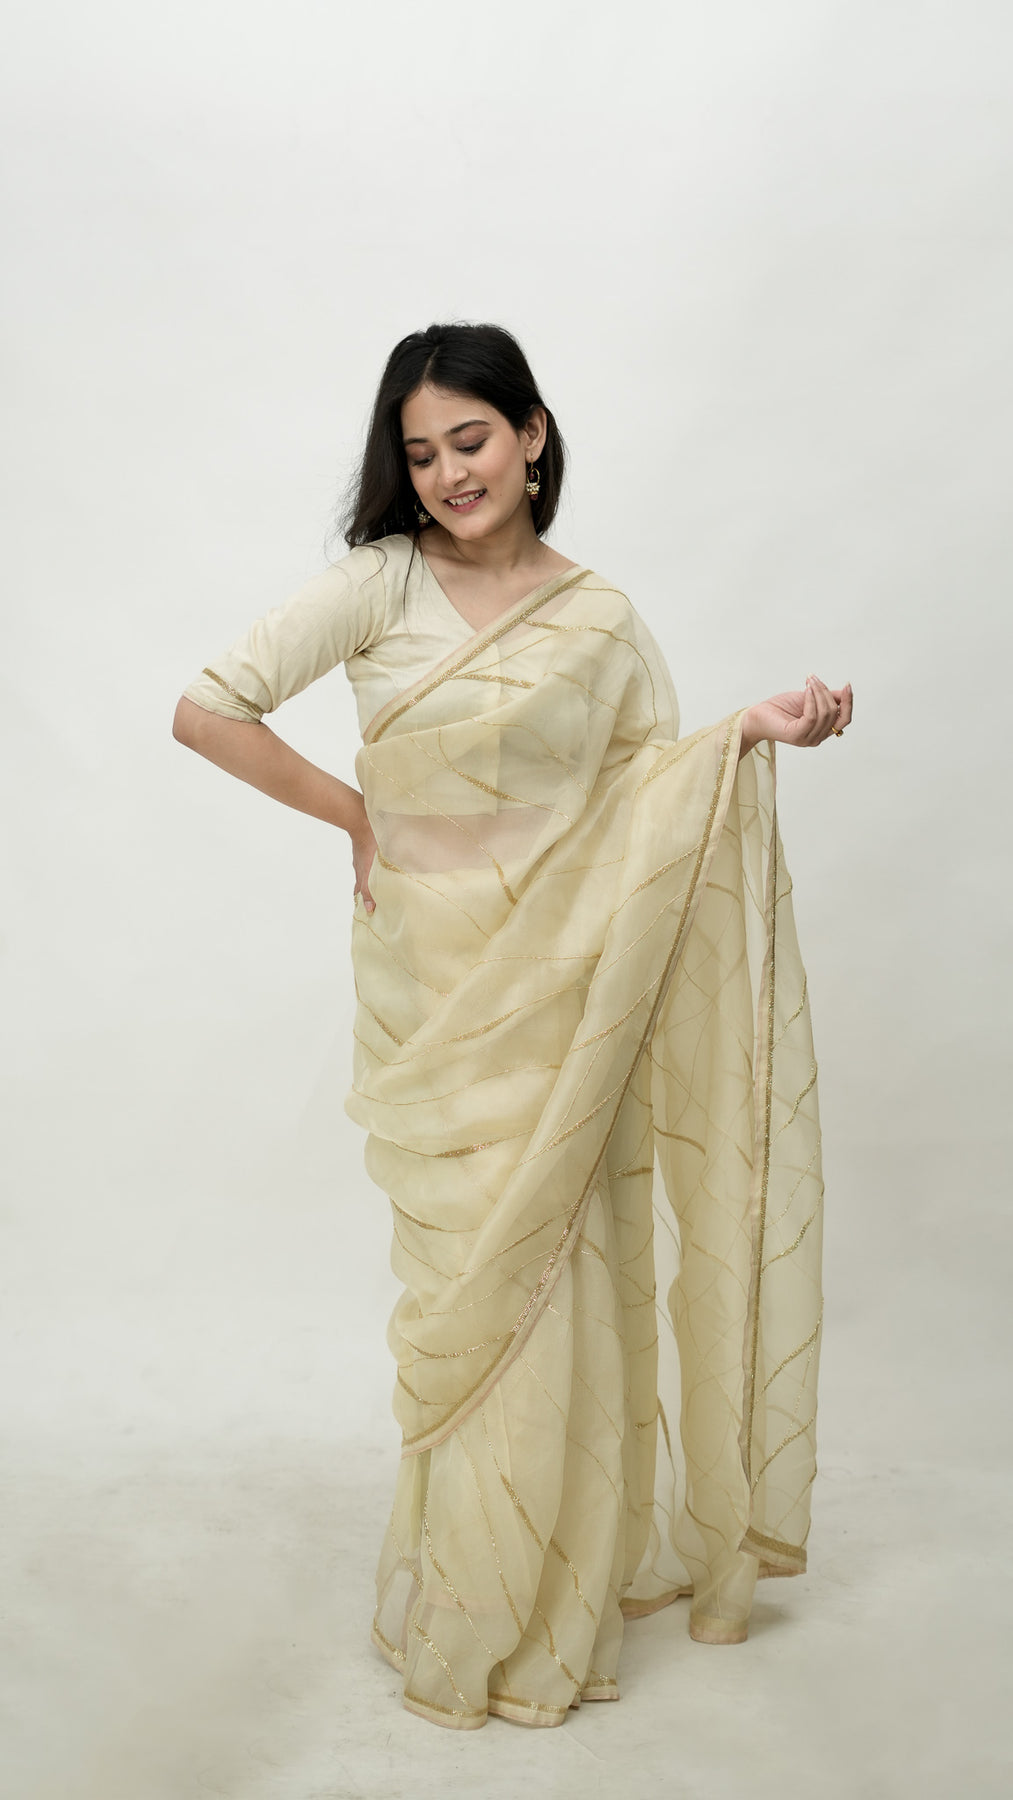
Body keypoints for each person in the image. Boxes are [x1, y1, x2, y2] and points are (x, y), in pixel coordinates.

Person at [173, 321, 853, 1732]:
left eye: (470, 440)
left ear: (532, 434)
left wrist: (748, 731)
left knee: (567, 1274)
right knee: (467, 1292)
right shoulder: (378, 584)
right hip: (436, 994)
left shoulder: (599, 619)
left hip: (565, 992)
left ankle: (553, 1599)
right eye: (420, 453)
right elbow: (208, 708)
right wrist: (356, 816)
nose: (447, 474)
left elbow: (645, 800)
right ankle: (470, 1600)